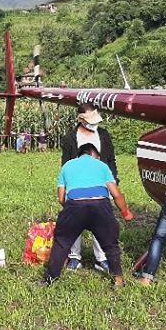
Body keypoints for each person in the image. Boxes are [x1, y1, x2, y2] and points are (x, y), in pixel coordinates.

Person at [43, 144, 134, 287]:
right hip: (100, 206)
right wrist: (126, 213)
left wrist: (72, 210)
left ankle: (50, 280)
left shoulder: (67, 166)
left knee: (61, 243)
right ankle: (119, 281)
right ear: (94, 154)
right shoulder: (101, 165)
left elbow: (61, 198)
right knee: (111, 245)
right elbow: (116, 194)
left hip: (74, 205)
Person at [60, 104, 119, 272]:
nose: (94, 124)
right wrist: (66, 186)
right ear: (80, 119)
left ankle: (101, 259)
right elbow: (66, 164)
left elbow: (111, 160)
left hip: (101, 184)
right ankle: (74, 257)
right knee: (74, 221)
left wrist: (113, 180)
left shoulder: (104, 135)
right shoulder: (70, 138)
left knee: (101, 221)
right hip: (77, 185)